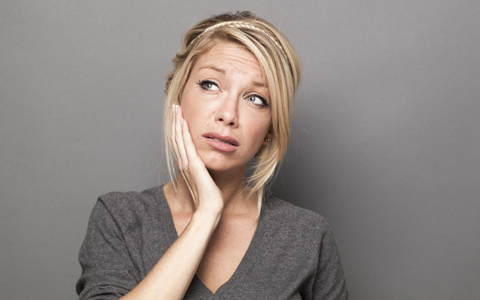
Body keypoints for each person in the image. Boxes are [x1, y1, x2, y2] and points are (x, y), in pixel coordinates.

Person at [76, 11, 349, 300]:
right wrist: (206, 214)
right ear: (178, 94)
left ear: (271, 128)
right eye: (210, 85)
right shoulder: (120, 218)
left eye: (256, 99)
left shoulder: (306, 235)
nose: (228, 115)